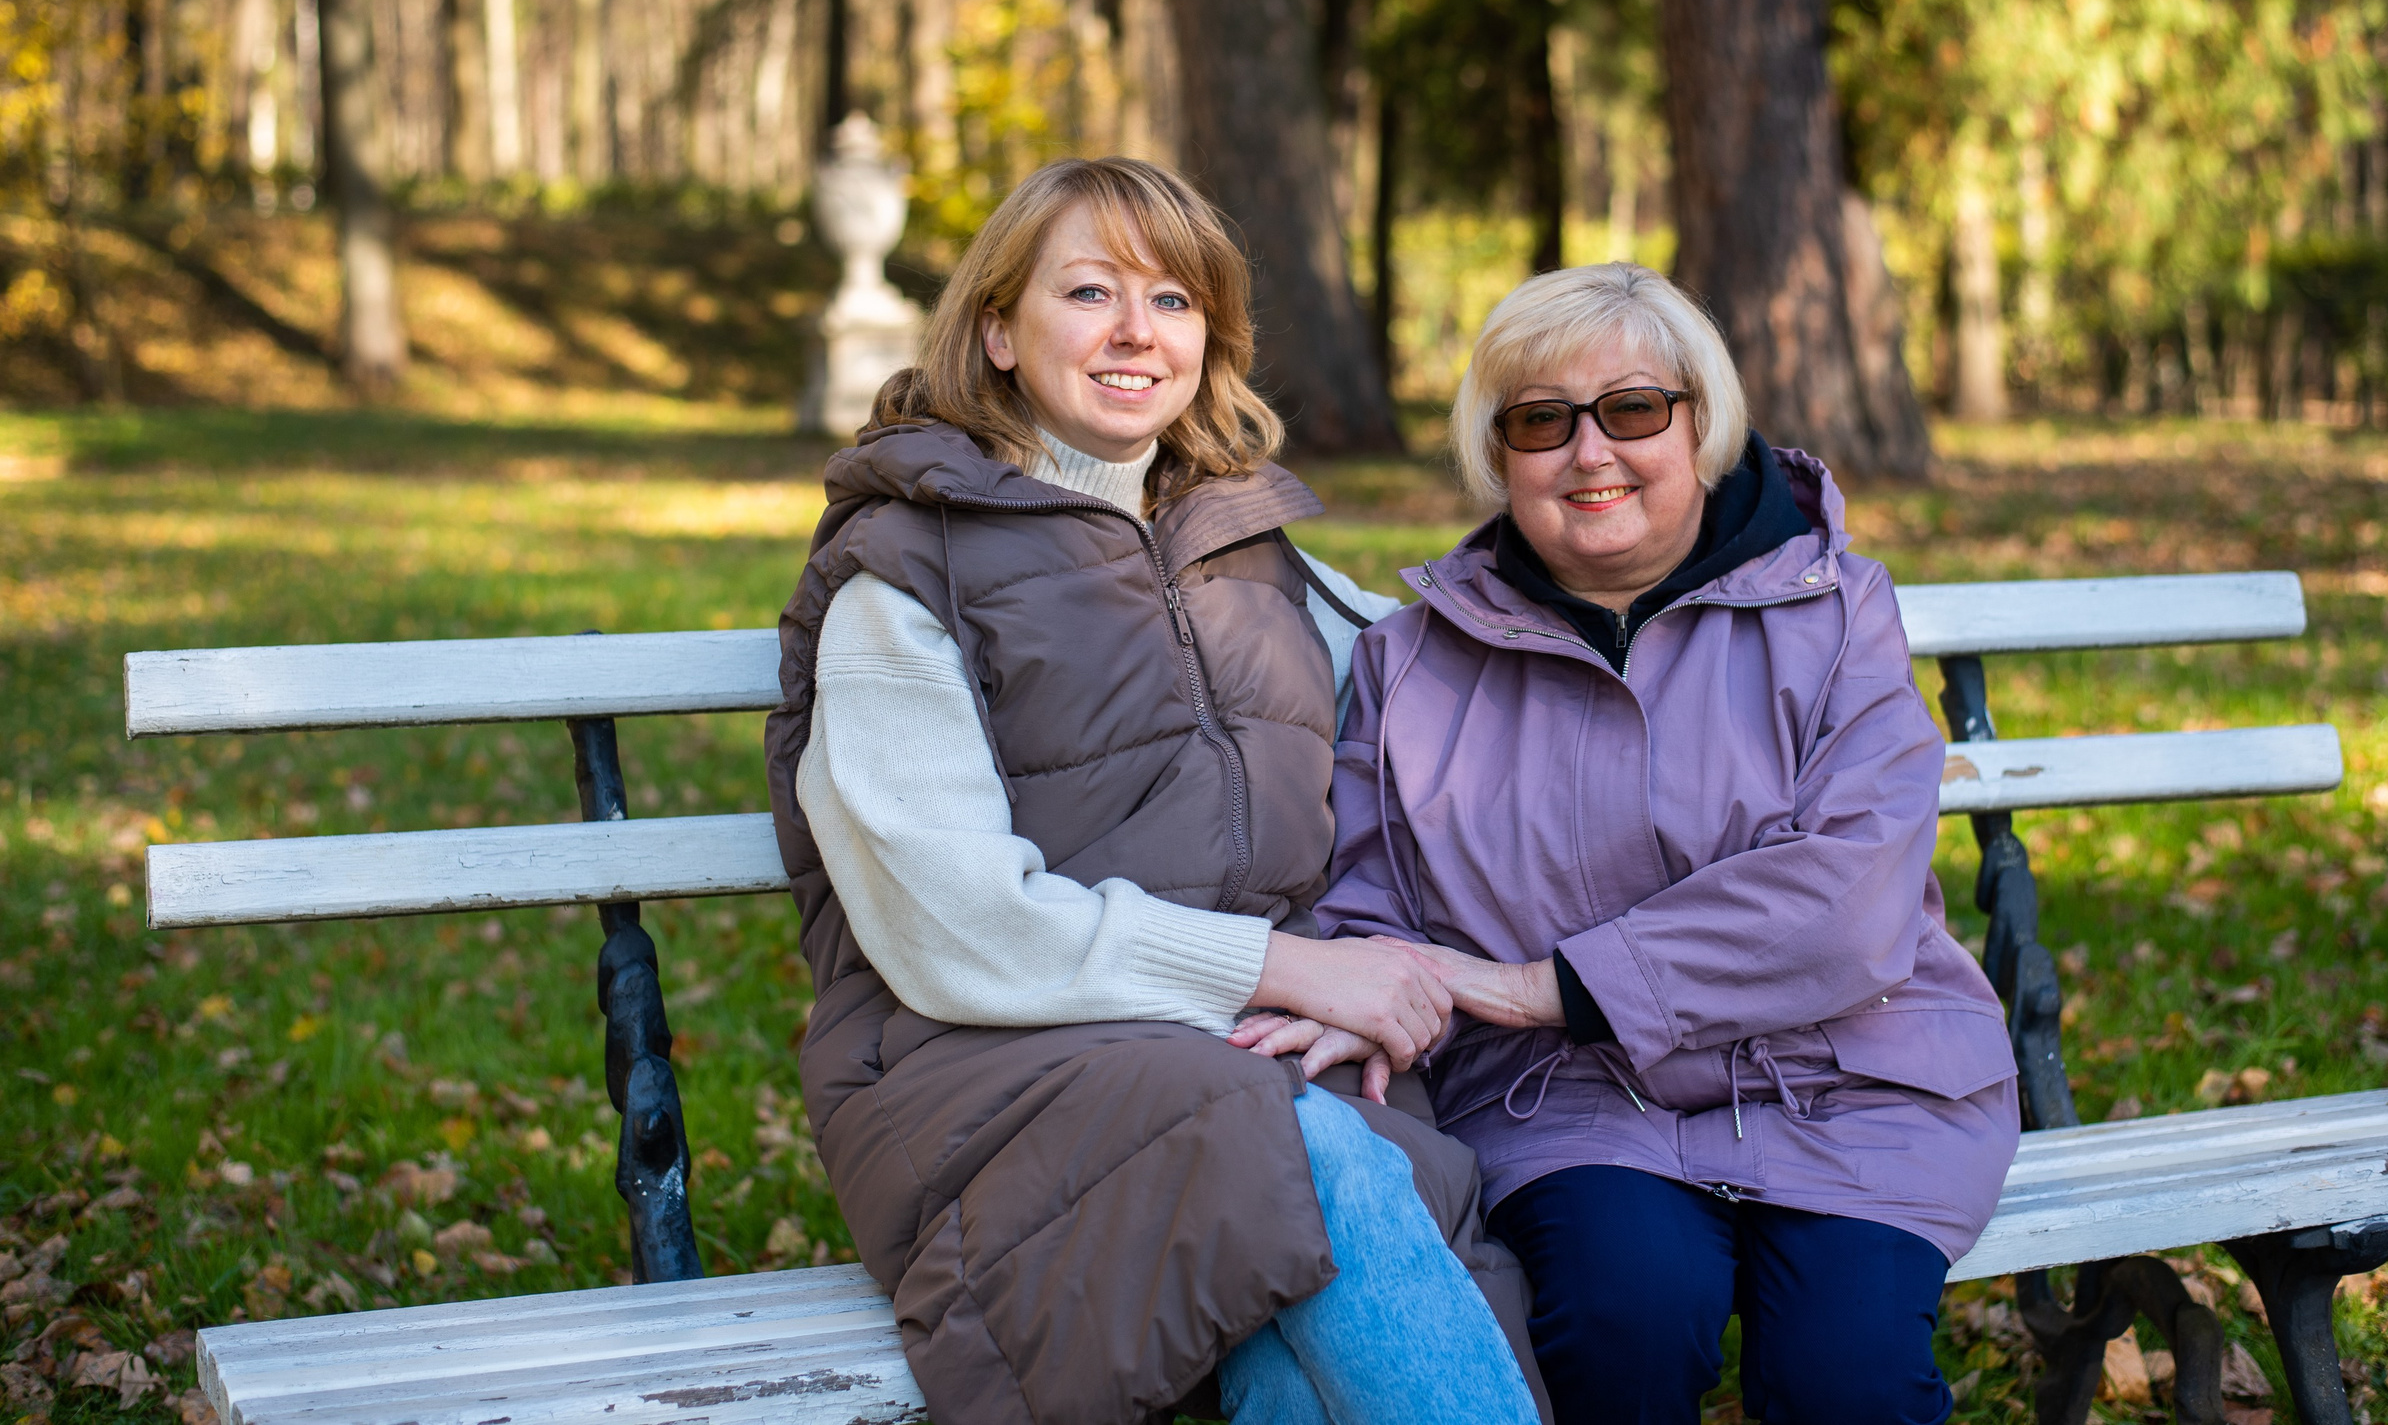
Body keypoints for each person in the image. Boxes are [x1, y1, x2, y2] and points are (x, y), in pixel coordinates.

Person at [763, 156, 1549, 1425]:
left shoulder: (1252, 555)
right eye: (1090, 290)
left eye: (1176, 300)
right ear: (999, 331)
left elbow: (1432, 772)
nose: (1138, 329)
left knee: (1299, 1312)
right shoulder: (901, 572)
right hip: (978, 1064)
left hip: (1244, 1053)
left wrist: (1362, 982)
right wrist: (1283, 969)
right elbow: (958, 928)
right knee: (1300, 1157)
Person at [1272, 261, 2021, 1425]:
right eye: (1540, 421)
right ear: (1497, 452)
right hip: (1567, 1100)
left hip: (1852, 1077)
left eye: (1632, 409)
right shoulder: (1411, 664)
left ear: (1700, 425)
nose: (1589, 453)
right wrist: (1355, 988)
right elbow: (1375, 916)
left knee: (1846, 1377)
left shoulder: (1835, 612)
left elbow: (1847, 898)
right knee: (1621, 1319)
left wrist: (1543, 983)